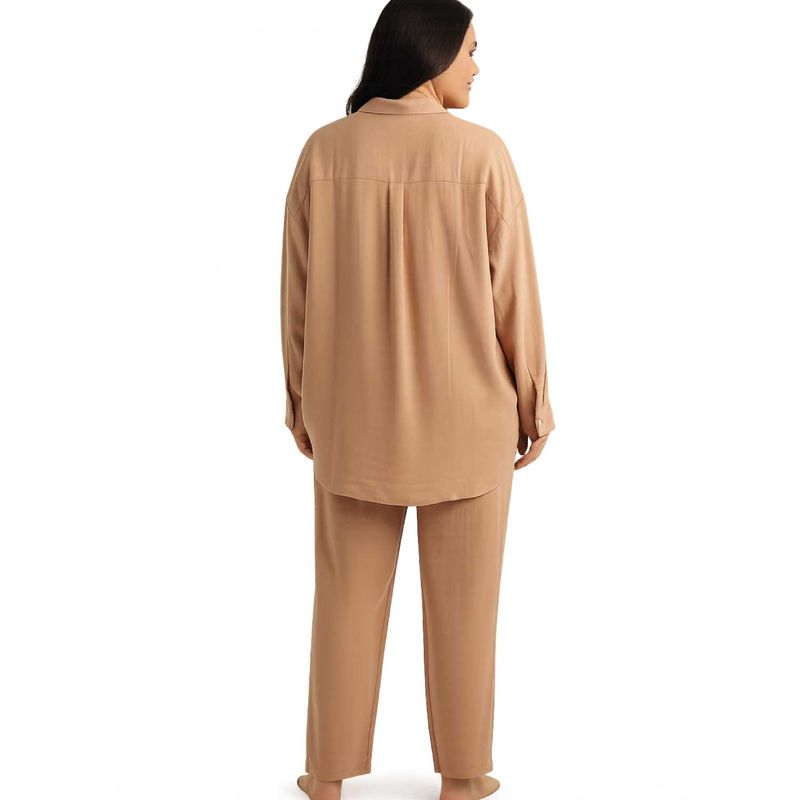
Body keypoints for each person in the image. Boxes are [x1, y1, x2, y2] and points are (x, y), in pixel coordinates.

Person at [280, 2, 556, 798]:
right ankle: (463, 778)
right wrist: (534, 403)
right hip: (469, 426)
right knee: (466, 610)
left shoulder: (323, 152)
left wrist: (301, 402)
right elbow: (515, 298)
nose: (476, 65)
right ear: (430, 52)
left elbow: (297, 295)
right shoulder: (481, 155)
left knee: (343, 604)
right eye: (469, 50)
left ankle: (326, 775)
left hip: (352, 424)